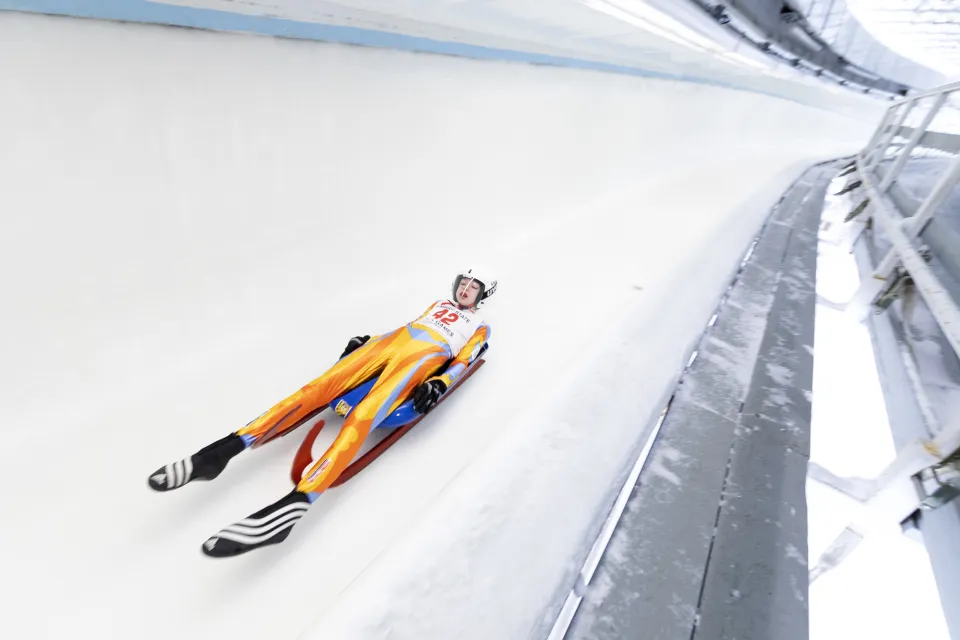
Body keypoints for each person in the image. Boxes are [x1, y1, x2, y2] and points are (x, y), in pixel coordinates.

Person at [148, 267, 496, 557]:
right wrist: (367, 341)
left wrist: (439, 383)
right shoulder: (436, 304)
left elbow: (464, 359)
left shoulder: (479, 327)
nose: (464, 290)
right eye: (462, 284)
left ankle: (296, 504)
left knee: (365, 416)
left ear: (483, 295)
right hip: (391, 343)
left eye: (472, 287)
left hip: (424, 358)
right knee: (316, 390)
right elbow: (408, 327)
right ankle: (221, 451)